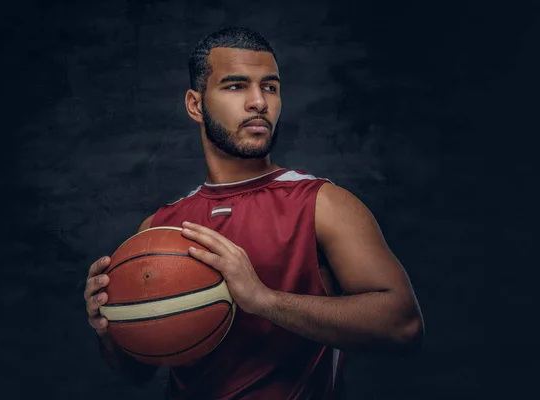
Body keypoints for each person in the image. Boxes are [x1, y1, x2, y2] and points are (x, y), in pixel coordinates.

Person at [84, 27, 425, 399]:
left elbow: (403, 326)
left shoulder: (322, 203)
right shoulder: (159, 228)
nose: (259, 102)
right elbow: (137, 373)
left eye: (271, 87)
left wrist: (264, 300)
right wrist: (110, 326)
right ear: (195, 105)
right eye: (235, 86)